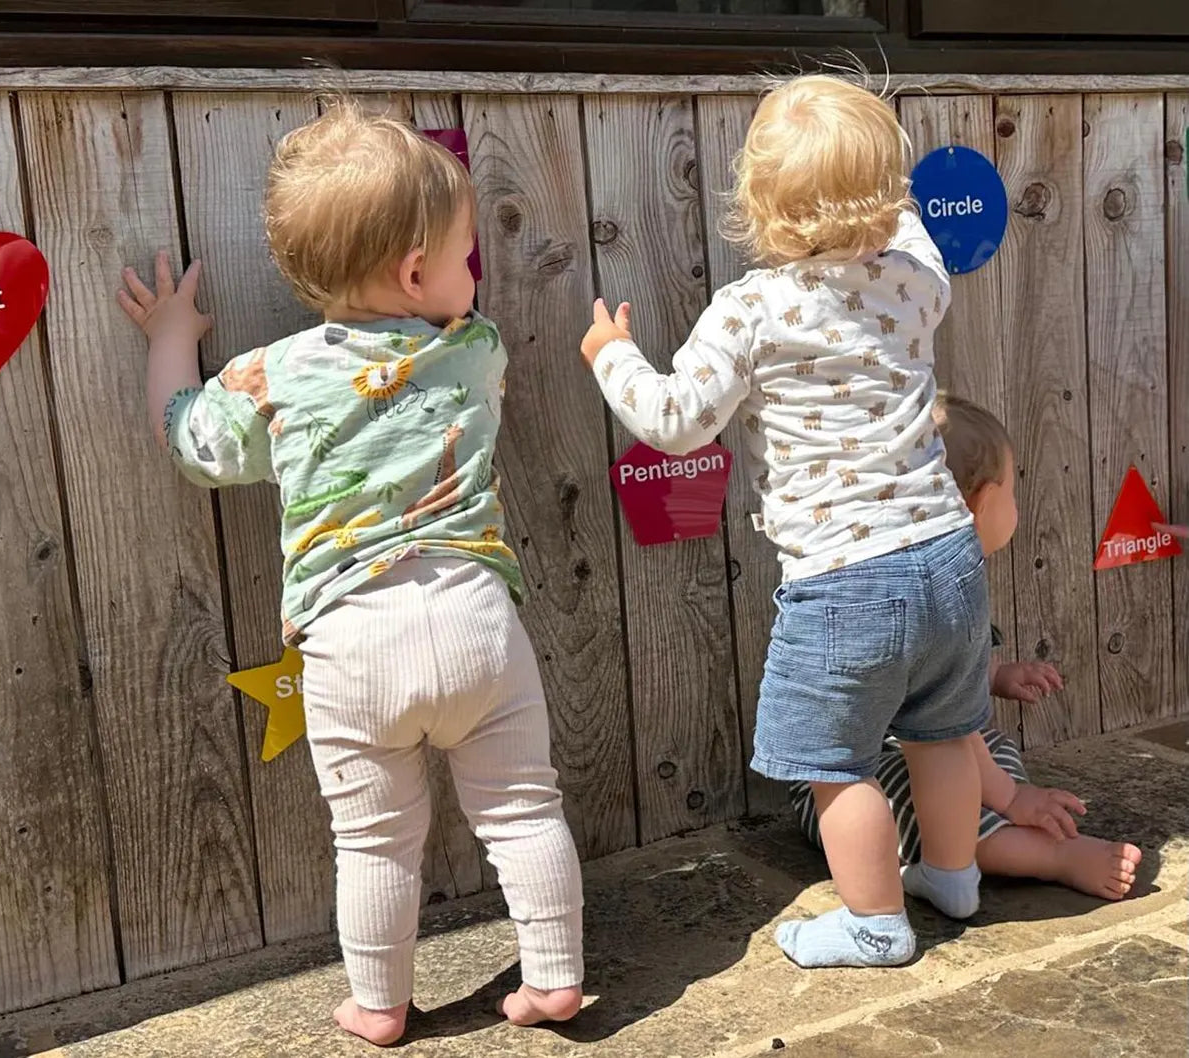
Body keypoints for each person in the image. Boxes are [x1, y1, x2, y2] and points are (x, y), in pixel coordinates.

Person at [117, 99, 583, 1045]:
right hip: (476, 620)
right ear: (417, 271)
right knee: (526, 810)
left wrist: (172, 336)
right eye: (465, 253)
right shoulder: (476, 350)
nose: (473, 273)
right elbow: (437, 340)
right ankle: (556, 976)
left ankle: (378, 1005)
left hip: (350, 641)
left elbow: (193, 443)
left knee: (373, 843)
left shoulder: (272, 378)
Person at [577, 73, 988, 968]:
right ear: (891, 191)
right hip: (950, 556)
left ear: (757, 204)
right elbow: (905, 212)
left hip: (845, 578)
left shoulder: (750, 310)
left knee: (835, 760)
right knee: (942, 730)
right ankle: (954, 876)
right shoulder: (920, 274)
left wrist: (614, 355)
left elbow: (677, 419)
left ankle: (876, 923)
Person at [790, 394, 1144, 901]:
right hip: (850, 785)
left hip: (939, 750)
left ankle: (998, 824)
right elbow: (938, 726)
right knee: (943, 820)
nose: (1016, 508)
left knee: (988, 755)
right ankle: (1050, 856)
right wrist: (1012, 796)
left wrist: (996, 677)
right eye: (1014, 494)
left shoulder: (940, 582)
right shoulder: (917, 601)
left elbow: (948, 687)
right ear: (980, 501)